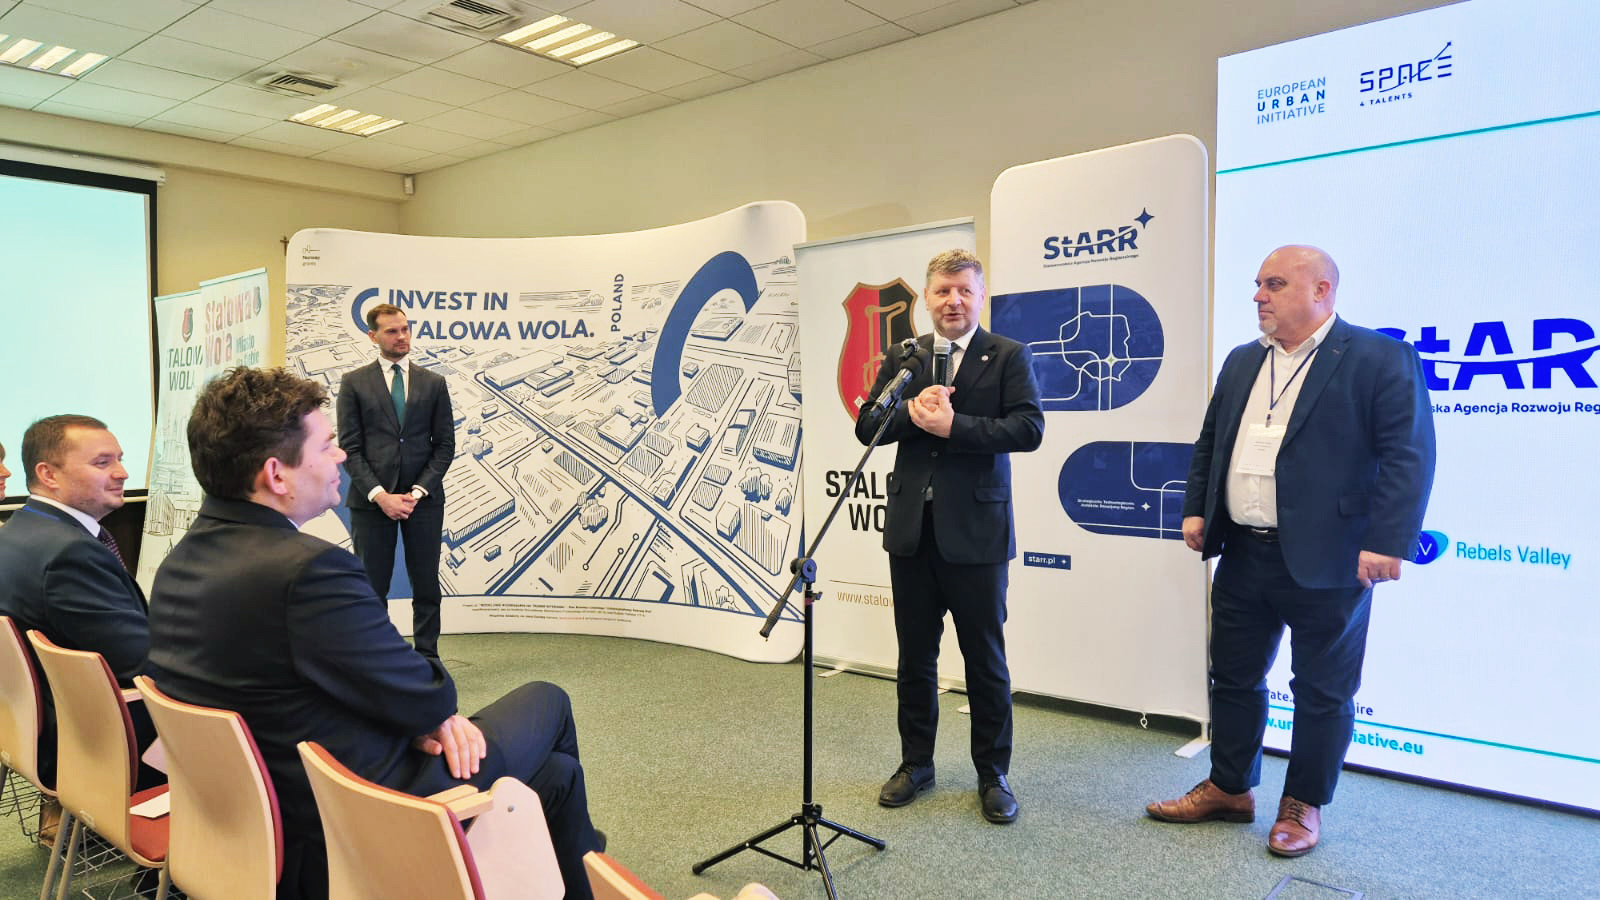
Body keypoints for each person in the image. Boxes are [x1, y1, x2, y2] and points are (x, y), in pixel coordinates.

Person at [149, 367, 601, 899]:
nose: (341, 456)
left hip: (251, 828)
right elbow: (427, 694)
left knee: (557, 776)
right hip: (355, 821)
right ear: (276, 474)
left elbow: (297, 686)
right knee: (548, 700)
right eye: (326, 446)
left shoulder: (177, 566)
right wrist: (425, 718)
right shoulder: (307, 572)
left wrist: (417, 716)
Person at [1147, 245, 1436, 857]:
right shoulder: (1242, 360)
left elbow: (1409, 455)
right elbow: (1211, 441)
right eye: (1258, 284)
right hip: (1242, 551)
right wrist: (1198, 507)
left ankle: (1302, 804)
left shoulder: (1380, 357)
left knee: (1322, 690)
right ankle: (1229, 787)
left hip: (1332, 559)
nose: (1259, 295)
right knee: (1233, 676)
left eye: (1274, 284)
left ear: (1322, 290)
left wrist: (1387, 541)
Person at [854, 249, 1044, 824]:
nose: (953, 301)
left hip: (977, 536)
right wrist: (912, 413)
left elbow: (1028, 428)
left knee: (984, 660)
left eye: (964, 290)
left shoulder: (1007, 355)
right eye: (942, 291)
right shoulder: (904, 357)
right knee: (915, 657)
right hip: (912, 532)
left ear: (980, 296)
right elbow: (868, 426)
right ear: (927, 298)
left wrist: (954, 426)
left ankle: (993, 774)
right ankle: (916, 764)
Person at [0, 415, 162, 792]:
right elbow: (142, 666)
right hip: (99, 745)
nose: (122, 473)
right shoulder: (69, 554)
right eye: (102, 463)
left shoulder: (18, 531)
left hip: (38, 725)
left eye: (120, 459)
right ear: (48, 474)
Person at [336, 303, 455, 658]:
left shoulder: (433, 383)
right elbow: (350, 448)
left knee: (426, 583)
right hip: (372, 501)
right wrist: (380, 495)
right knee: (372, 586)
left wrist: (417, 491)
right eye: (392, 331)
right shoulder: (354, 383)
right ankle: (375, 657)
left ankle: (428, 656)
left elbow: (445, 445)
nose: (401, 336)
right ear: (373, 336)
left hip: (424, 501)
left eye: (405, 329)